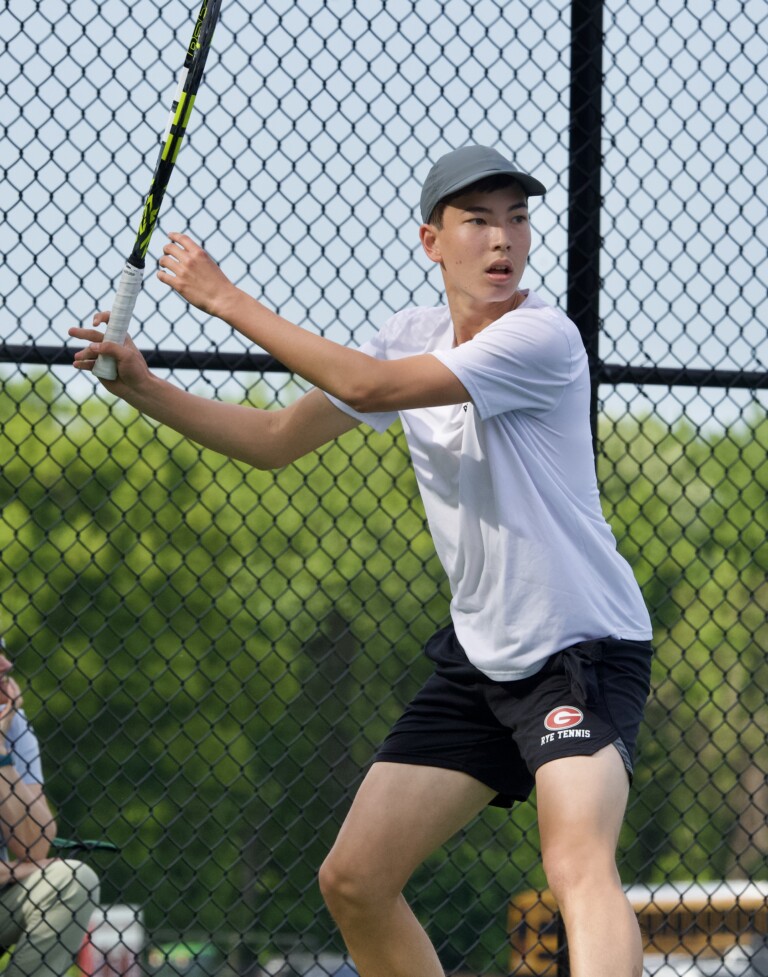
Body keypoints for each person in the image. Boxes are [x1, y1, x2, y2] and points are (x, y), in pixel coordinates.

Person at [69, 144, 653, 977]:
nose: (502, 241)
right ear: (431, 241)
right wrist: (144, 387)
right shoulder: (410, 335)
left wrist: (225, 298)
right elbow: (275, 441)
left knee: (575, 863)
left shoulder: (540, 337)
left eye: (516, 219)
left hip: (579, 647)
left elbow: (374, 390)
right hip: (482, 657)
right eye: (478, 221)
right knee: (355, 880)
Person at [0, 638, 100, 977]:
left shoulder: (12, 727)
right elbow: (31, 861)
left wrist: (0, 754)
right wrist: (18, 870)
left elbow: (35, 844)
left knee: (74, 880)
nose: (5, 666)